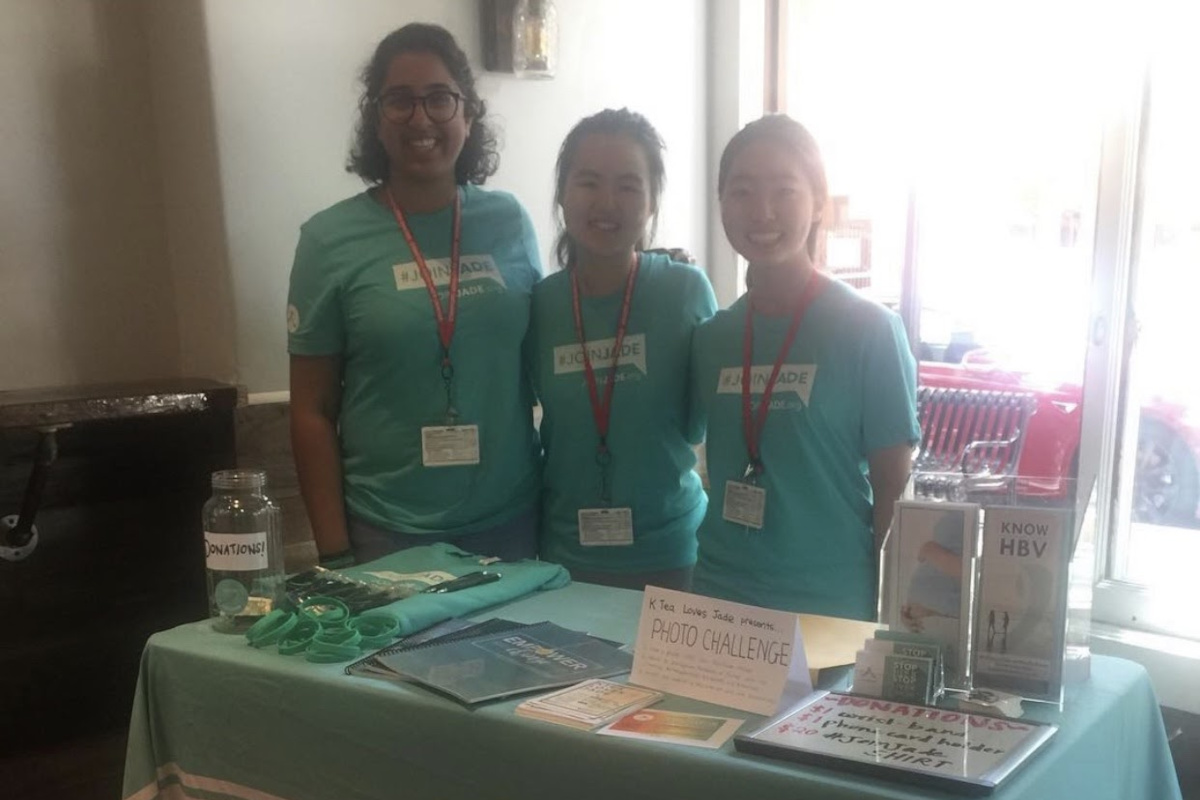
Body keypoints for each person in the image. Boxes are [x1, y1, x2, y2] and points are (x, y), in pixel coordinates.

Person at [287, 24, 543, 567]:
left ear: (468, 115)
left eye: (440, 99)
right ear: (375, 120)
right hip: (385, 536)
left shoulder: (511, 224)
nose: (420, 118)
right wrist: (334, 552)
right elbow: (311, 410)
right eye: (399, 100)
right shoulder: (328, 241)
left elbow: (544, 355)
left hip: (514, 525)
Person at [689, 115, 919, 619]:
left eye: (785, 191)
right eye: (742, 191)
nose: (762, 212)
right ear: (722, 202)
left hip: (826, 605)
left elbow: (893, 493)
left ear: (818, 203)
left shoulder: (869, 330)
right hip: (717, 599)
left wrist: (893, 619)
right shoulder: (713, 337)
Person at [528, 109, 717, 590]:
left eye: (629, 186)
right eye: (589, 182)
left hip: (672, 553)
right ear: (562, 195)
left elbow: (700, 423)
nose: (606, 203)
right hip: (564, 558)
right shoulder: (542, 303)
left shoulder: (684, 293)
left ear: (652, 202)